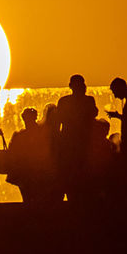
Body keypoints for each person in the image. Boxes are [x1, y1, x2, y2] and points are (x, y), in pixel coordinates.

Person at [55, 74, 99, 202]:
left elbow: (59, 121)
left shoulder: (64, 101)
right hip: (80, 144)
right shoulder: (88, 101)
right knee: (79, 178)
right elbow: (93, 115)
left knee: (73, 178)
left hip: (74, 145)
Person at [7, 107, 50, 204]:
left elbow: (12, 153)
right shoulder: (42, 133)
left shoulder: (19, 136)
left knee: (27, 198)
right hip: (37, 172)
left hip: (25, 174)